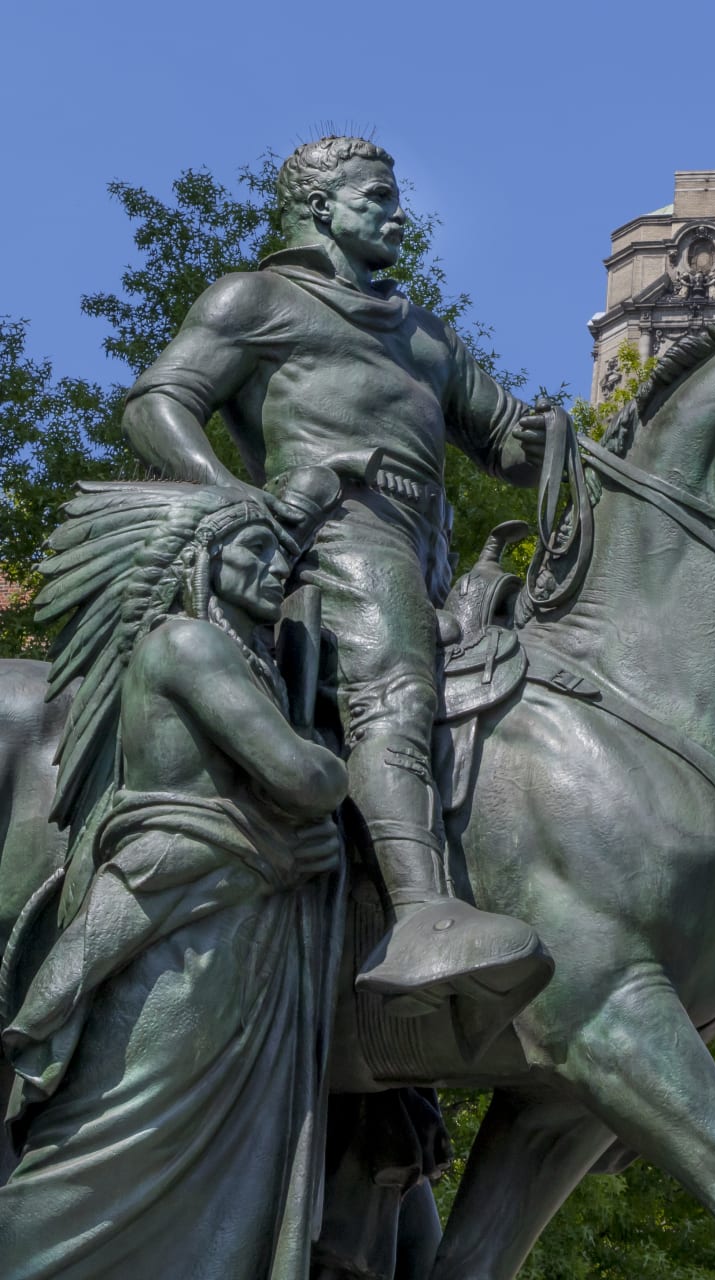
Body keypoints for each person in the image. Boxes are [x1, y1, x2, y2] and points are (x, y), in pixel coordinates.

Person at [119, 135, 555, 1013]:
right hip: (333, 529)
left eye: (397, 199)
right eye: (379, 197)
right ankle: (423, 912)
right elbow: (157, 402)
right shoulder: (257, 298)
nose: (399, 215)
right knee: (394, 685)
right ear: (322, 206)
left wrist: (552, 440)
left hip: (428, 545)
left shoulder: (424, 334)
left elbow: (504, 441)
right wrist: (232, 496)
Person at [0, 483, 346, 1278]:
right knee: (124, 1129)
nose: (275, 571)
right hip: (182, 912)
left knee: (219, 1162)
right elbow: (303, 778)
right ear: (202, 555)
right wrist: (340, 758)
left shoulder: (245, 658)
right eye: (256, 551)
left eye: (283, 558)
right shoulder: (187, 644)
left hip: (238, 916)